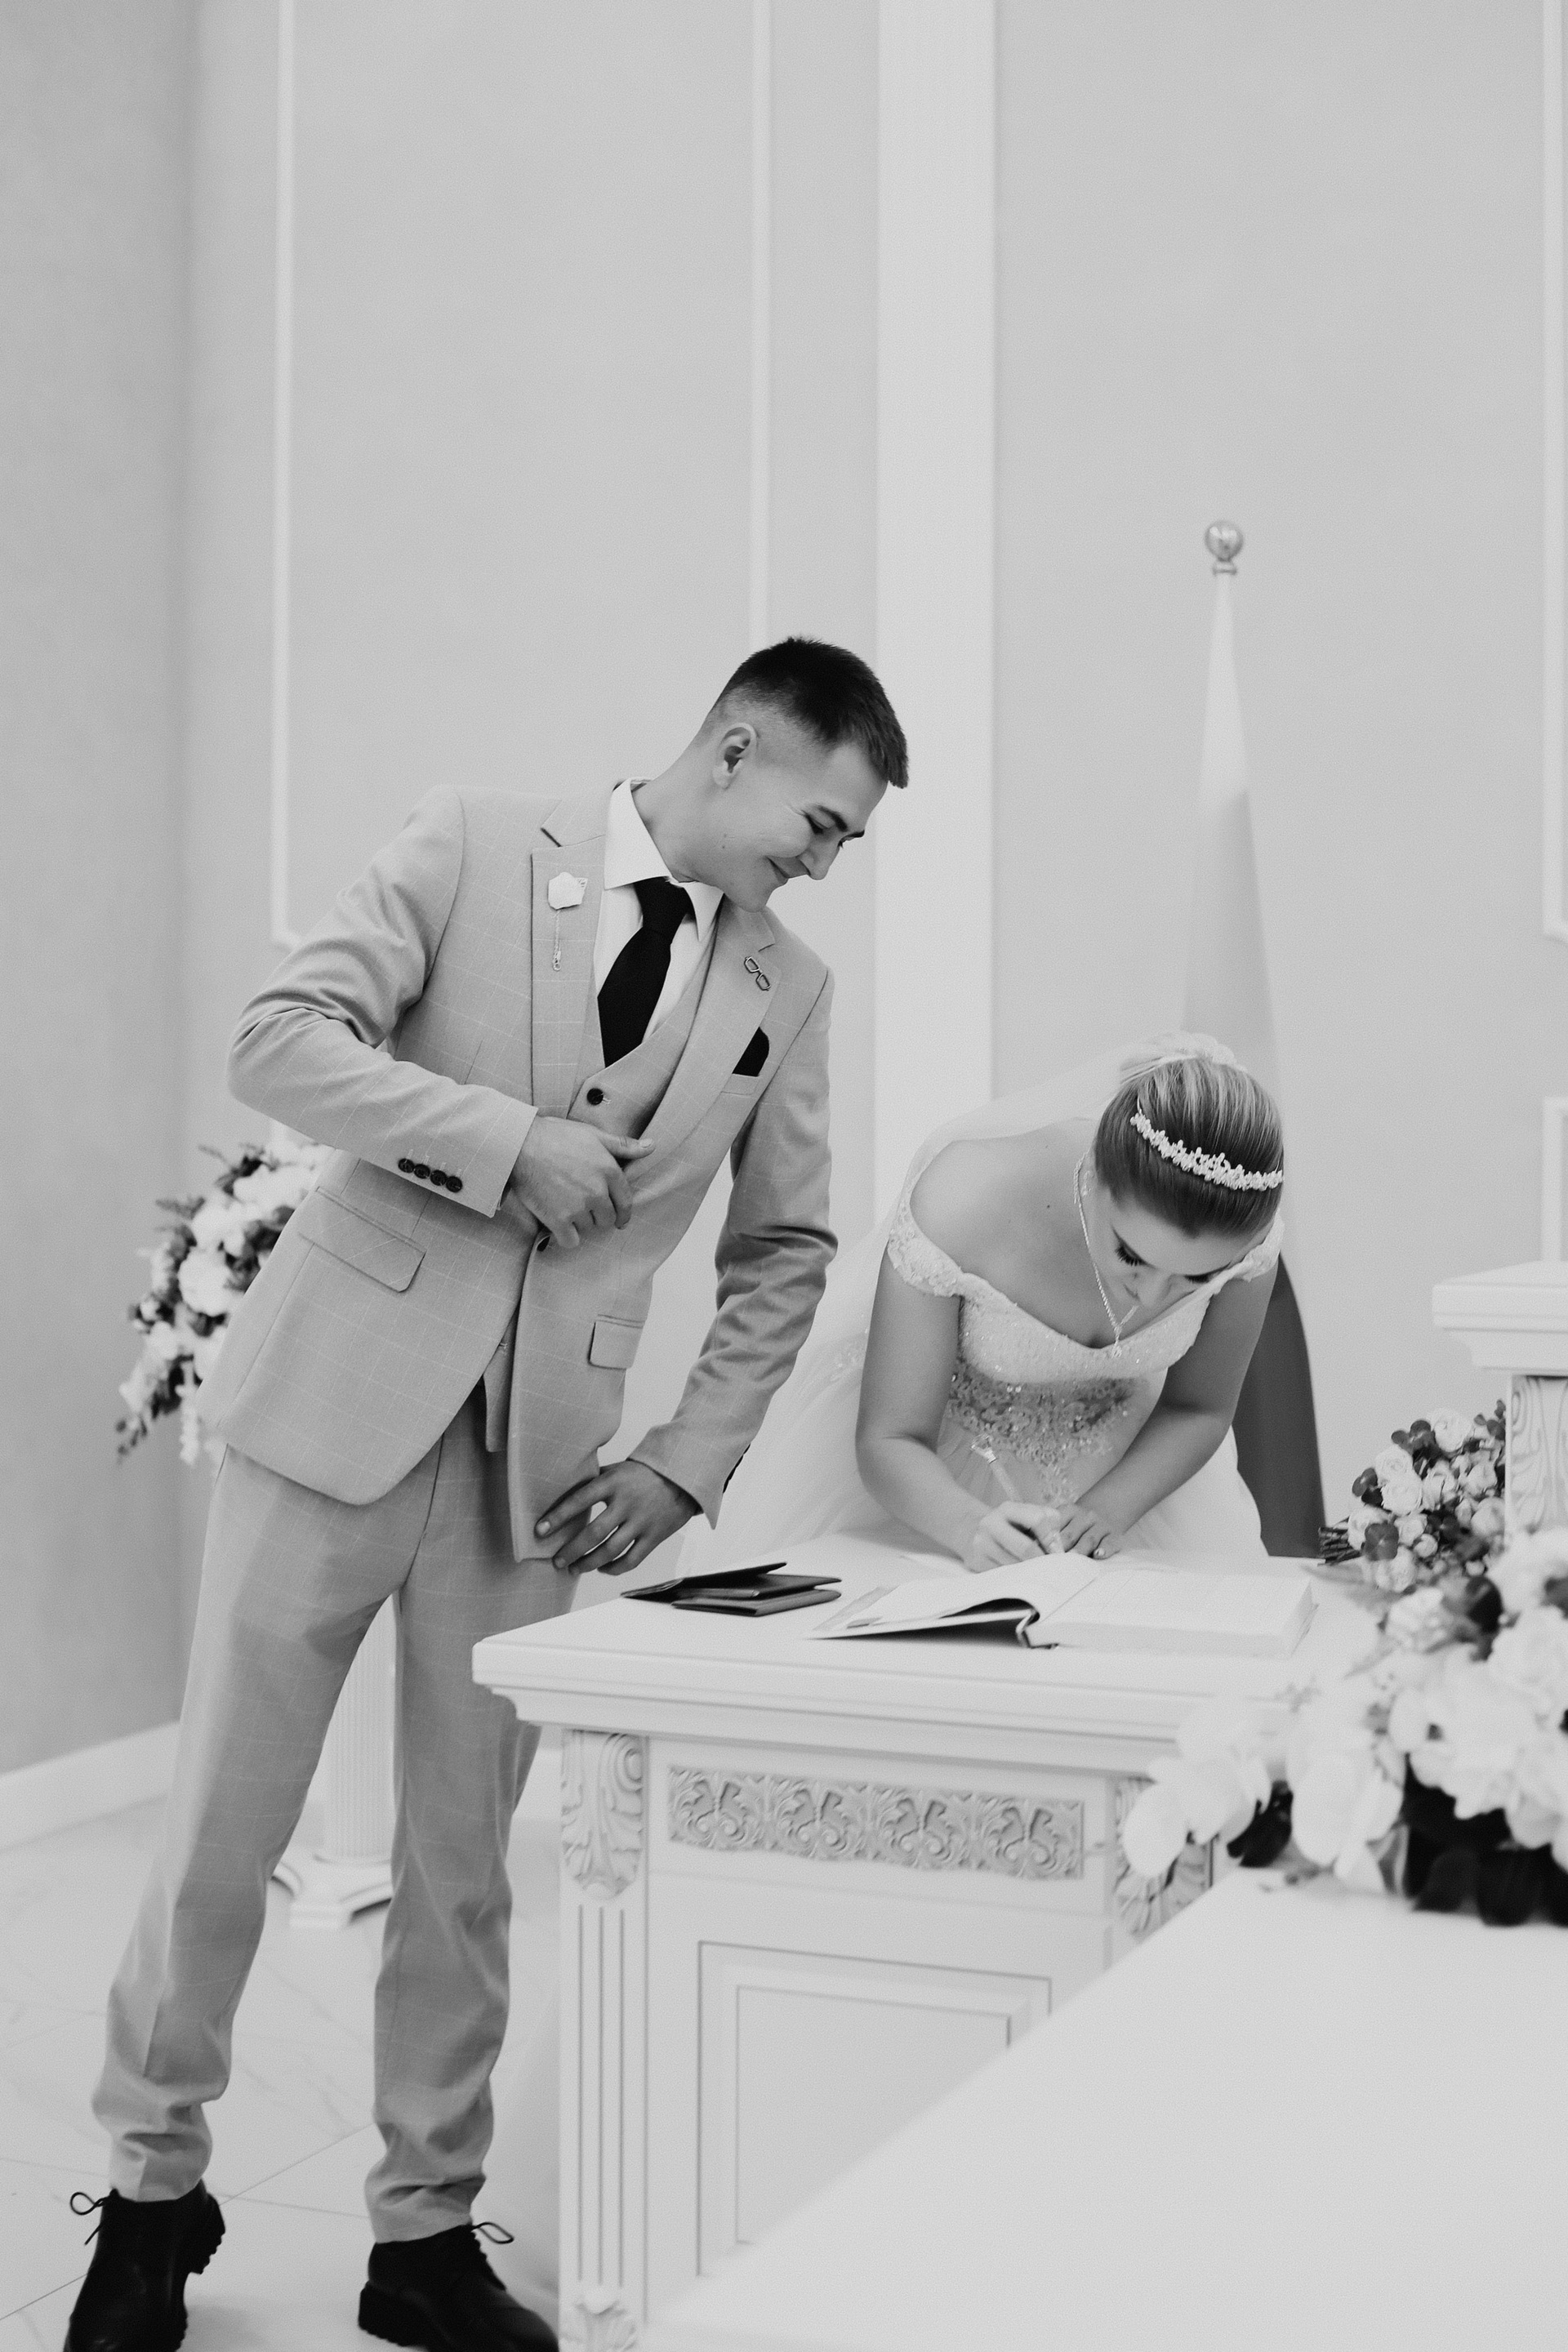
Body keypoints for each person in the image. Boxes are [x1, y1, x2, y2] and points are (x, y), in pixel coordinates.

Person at [69, 638, 903, 2352]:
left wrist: (682, 1461)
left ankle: (425, 2239)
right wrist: (504, 1142)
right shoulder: (469, 840)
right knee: (223, 1823)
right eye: (820, 823)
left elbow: (787, 1250)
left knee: (464, 1868)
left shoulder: (790, 989)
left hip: (543, 1473)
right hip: (334, 1404)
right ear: (737, 748)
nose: (823, 864)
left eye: (846, 843)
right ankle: (150, 2198)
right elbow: (278, 1041)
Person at [688, 1038, 1283, 1574]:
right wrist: (969, 1527)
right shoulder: (963, 1202)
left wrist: (1106, 1511)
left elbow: (1199, 1408)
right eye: (1131, 1255)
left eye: (1198, 1278)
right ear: (1095, 1174)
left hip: (1136, 1477)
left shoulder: (1247, 1245)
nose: (1152, 1297)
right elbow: (891, 1436)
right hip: (935, 1486)